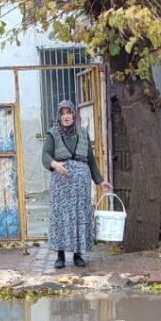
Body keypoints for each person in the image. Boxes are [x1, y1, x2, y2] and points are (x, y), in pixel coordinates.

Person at [42, 100, 111, 269]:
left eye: (69, 112)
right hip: (61, 184)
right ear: (59, 116)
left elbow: (91, 160)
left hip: (81, 185)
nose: (66, 116)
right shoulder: (52, 134)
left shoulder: (82, 133)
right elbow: (45, 155)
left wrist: (100, 181)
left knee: (80, 217)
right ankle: (60, 255)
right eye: (62, 113)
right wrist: (55, 164)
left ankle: (78, 254)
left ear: (74, 114)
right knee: (62, 217)